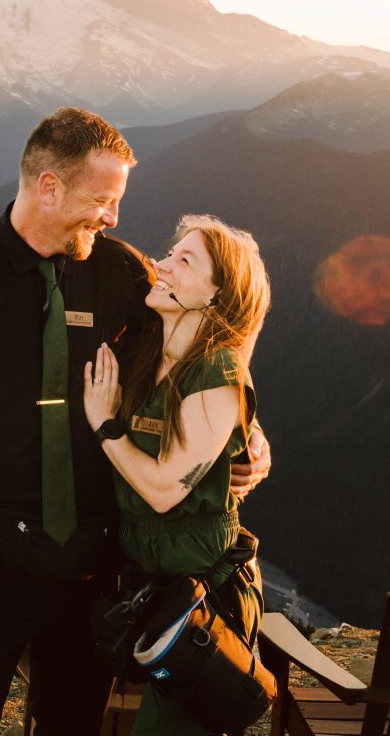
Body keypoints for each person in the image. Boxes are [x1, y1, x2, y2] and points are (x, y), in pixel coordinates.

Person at [0, 108, 270, 736]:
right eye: (103, 200)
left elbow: (192, 358)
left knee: (72, 725)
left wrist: (252, 435)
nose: (112, 217)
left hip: (95, 571)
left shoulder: (122, 273)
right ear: (49, 186)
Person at [83, 214, 271, 735]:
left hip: (202, 598)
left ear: (217, 296)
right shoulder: (151, 354)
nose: (160, 265)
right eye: (170, 253)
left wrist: (105, 425)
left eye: (184, 261)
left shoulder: (216, 370)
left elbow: (166, 491)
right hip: (147, 585)